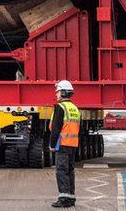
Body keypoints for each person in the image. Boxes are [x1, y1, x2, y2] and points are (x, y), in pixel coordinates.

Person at [48, 80, 81, 208]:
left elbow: (56, 128)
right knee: (70, 170)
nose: (56, 94)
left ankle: (64, 198)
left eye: (57, 92)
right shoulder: (74, 108)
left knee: (61, 170)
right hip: (72, 144)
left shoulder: (60, 107)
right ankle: (71, 197)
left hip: (62, 143)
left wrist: (52, 144)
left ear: (63, 92)